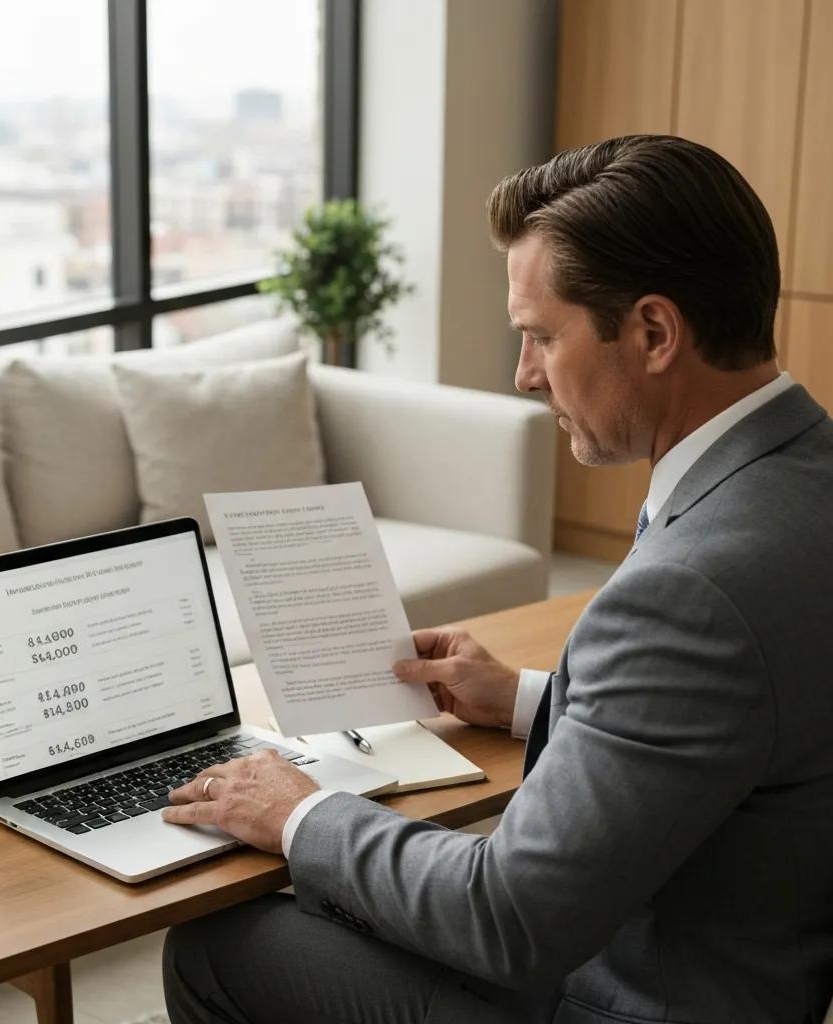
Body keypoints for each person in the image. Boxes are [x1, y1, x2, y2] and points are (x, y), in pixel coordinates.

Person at [159, 135, 833, 1023]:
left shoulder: (691, 593)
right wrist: (519, 698)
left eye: (541, 338)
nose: (524, 377)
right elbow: (737, 718)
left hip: (625, 997)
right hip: (755, 968)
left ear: (655, 332)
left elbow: (506, 917)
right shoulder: (801, 475)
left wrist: (300, 813)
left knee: (218, 948)